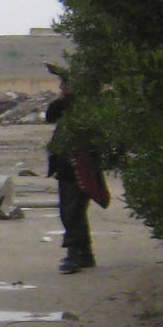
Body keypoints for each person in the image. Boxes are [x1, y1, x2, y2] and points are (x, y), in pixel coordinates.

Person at [45, 64, 109, 274]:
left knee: (73, 210)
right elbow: (50, 115)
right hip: (65, 165)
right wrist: (65, 99)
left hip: (83, 165)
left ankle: (74, 253)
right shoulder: (65, 104)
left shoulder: (91, 105)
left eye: (66, 82)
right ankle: (85, 253)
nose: (62, 86)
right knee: (72, 210)